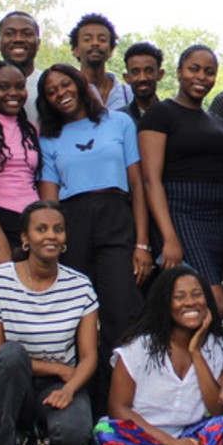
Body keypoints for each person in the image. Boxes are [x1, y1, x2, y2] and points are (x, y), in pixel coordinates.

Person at [36, 62, 150, 404]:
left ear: (81, 84)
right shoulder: (50, 138)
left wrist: (142, 243)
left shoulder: (120, 122)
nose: (61, 94)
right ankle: (84, 405)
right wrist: (52, 242)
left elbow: (137, 185)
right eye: (52, 91)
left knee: (122, 310)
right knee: (78, 317)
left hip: (117, 216)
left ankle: (124, 405)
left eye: (65, 85)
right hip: (72, 223)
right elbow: (49, 198)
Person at [0, 201, 99, 445]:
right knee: (11, 353)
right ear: (25, 238)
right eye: (41, 229)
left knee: (74, 433)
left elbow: (89, 357)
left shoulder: (80, 285)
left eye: (58, 229)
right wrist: (55, 368)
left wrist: (69, 389)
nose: (51, 235)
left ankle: (37, 438)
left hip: (56, 386)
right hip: (5, 383)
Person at [94, 267, 223, 445]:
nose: (190, 302)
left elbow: (218, 411)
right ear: (165, 304)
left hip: (192, 434)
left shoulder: (217, 347)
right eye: (179, 297)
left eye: (197, 295)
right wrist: (169, 442)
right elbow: (118, 408)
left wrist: (196, 353)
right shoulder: (138, 348)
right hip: (146, 433)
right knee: (105, 431)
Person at [139, 45, 223, 313]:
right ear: (179, 72)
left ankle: (198, 355)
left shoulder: (217, 122)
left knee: (203, 299)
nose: (201, 77)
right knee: (216, 301)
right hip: (179, 212)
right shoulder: (161, 113)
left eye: (209, 72)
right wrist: (168, 237)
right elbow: (150, 180)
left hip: (217, 218)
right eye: (194, 69)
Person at [0, 60, 41, 266]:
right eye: (4, 87)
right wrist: (1, 242)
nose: (14, 93)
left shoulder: (31, 129)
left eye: (20, 87)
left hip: (32, 219)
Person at [69, 13, 133, 112]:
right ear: (75, 50)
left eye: (102, 39)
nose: (95, 43)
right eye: (87, 39)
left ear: (111, 50)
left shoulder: (128, 94)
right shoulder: (68, 93)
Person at [0, 10, 43, 119]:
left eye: (27, 34)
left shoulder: (52, 87)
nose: (18, 39)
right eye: (9, 33)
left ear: (38, 43)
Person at [121, 41, 165, 123]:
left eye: (149, 71)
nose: (142, 78)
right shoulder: (119, 120)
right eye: (135, 72)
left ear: (160, 74)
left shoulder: (173, 117)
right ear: (126, 78)